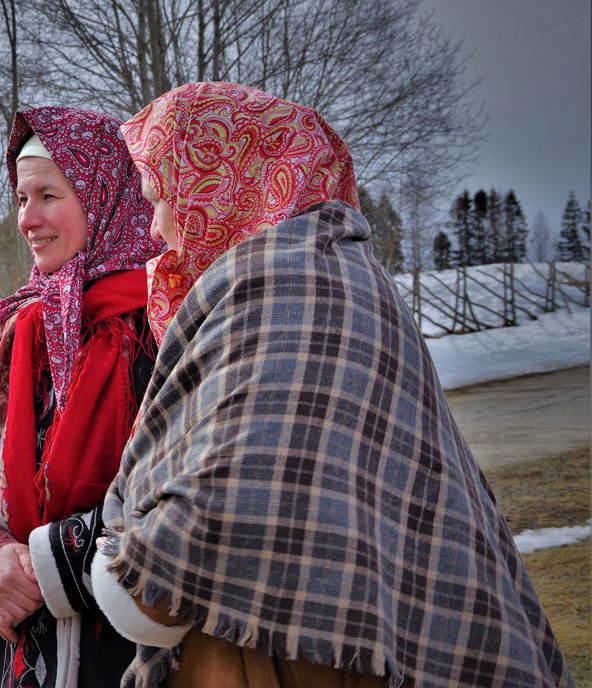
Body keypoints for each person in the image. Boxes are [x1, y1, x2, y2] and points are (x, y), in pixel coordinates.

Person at [89, 82, 573, 688]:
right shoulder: (340, 276)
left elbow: (210, 523)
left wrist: (127, 567)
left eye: (162, 197)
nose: (157, 229)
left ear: (225, 184)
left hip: (297, 659)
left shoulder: (282, 289)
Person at [0, 106, 167, 688]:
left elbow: (179, 496)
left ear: (103, 198)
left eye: (48, 195)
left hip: (132, 654)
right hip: (16, 656)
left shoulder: (166, 329)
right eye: (21, 199)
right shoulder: (22, 334)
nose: (27, 218)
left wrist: (48, 567)